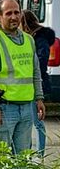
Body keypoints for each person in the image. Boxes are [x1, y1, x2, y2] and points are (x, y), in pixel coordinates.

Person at [0, 0, 45, 155]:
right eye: (8, 13)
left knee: (23, 158)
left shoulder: (29, 40)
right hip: (3, 108)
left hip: (26, 108)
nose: (14, 17)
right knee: (1, 160)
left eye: (17, 12)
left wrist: (39, 98)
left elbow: (35, 72)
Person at [21, 9, 54, 156]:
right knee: (33, 121)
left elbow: (41, 61)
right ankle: (34, 152)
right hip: (33, 83)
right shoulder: (35, 38)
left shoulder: (38, 40)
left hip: (36, 83)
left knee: (37, 122)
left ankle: (39, 153)